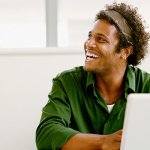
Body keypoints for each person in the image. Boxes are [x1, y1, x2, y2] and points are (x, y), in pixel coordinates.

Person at [36, 2, 150, 150]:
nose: (89, 44)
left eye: (100, 39)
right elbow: (46, 134)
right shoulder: (66, 82)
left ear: (125, 51)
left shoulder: (146, 86)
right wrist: (103, 142)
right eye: (90, 37)